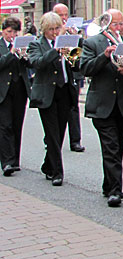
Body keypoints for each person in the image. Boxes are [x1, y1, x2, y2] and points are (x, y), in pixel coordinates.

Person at [80, 9, 123, 207]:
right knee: (111, 147)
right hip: (103, 104)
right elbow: (85, 68)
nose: (118, 28)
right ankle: (116, 190)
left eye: (121, 24)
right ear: (105, 24)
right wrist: (104, 56)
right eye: (115, 24)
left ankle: (109, 184)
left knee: (118, 146)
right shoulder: (92, 42)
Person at [27, 12, 80, 186]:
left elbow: (76, 64)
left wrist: (74, 49)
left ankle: (48, 164)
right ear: (44, 30)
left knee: (59, 132)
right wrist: (55, 51)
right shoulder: (37, 44)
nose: (55, 32)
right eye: (51, 29)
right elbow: (38, 63)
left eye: (57, 28)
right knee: (51, 133)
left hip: (64, 91)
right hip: (47, 94)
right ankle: (58, 172)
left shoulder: (65, 41)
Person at [0, 17, 31, 176]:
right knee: (5, 126)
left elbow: (30, 64)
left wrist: (25, 56)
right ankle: (6, 162)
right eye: (9, 32)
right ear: (3, 31)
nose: (11, 35)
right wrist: (11, 53)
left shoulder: (21, 45)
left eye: (14, 32)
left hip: (20, 89)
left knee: (17, 124)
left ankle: (15, 160)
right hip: (3, 90)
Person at [53, 3, 85, 153]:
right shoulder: (51, 32)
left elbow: (75, 59)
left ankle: (75, 140)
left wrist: (76, 38)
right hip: (55, 78)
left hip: (72, 75)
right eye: (61, 15)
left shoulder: (70, 33)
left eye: (66, 15)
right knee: (54, 113)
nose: (64, 18)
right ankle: (51, 140)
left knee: (74, 107)